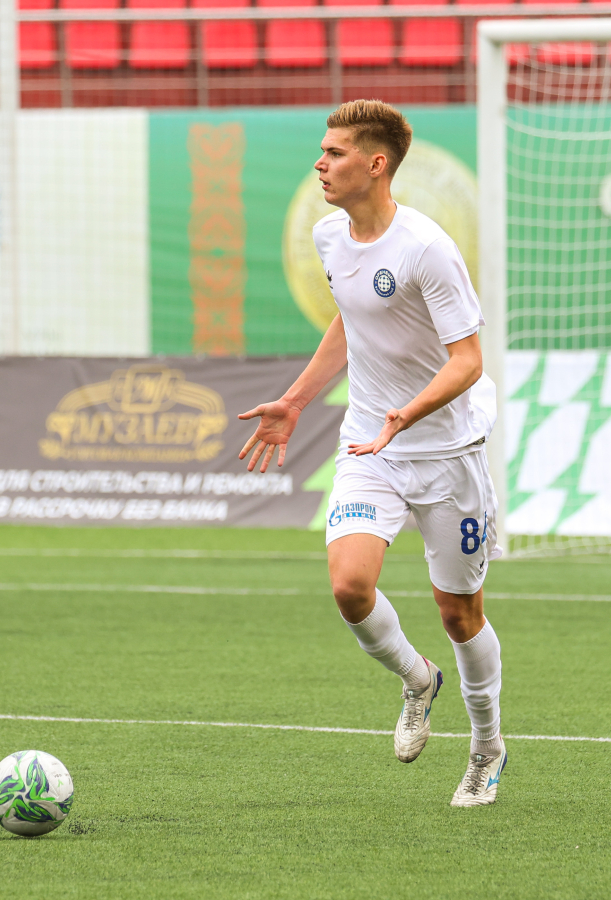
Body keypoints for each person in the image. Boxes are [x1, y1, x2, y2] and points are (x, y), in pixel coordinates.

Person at [237, 99, 505, 807]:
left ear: (376, 164)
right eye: (322, 151)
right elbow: (349, 325)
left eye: (335, 153)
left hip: (446, 450)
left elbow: (468, 361)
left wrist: (406, 415)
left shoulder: (427, 249)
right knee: (349, 587)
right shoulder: (330, 236)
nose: (319, 164)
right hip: (370, 446)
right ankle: (418, 679)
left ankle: (486, 749)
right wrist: (296, 400)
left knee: (459, 614)